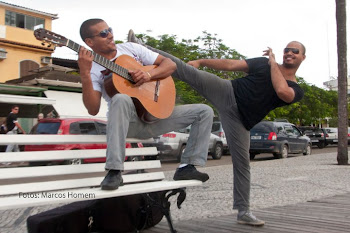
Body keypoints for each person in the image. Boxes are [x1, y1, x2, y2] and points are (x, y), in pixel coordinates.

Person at [128, 30, 306, 226]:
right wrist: (201, 62)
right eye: (287, 50)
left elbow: (282, 91)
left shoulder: (295, 88)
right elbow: (231, 65)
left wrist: (273, 63)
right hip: (227, 91)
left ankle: (243, 211)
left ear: (302, 57)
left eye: (295, 51)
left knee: (243, 164)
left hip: (240, 120)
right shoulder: (262, 63)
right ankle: (141, 47)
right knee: (188, 72)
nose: (289, 53)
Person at [77, 19, 214, 191]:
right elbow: (92, 109)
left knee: (204, 111)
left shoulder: (130, 49)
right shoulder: (92, 69)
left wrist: (148, 74)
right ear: (89, 42)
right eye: (103, 33)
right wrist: (84, 74)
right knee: (120, 98)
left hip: (155, 117)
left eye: (109, 29)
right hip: (130, 125)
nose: (110, 35)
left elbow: (170, 65)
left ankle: (187, 167)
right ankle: (114, 171)